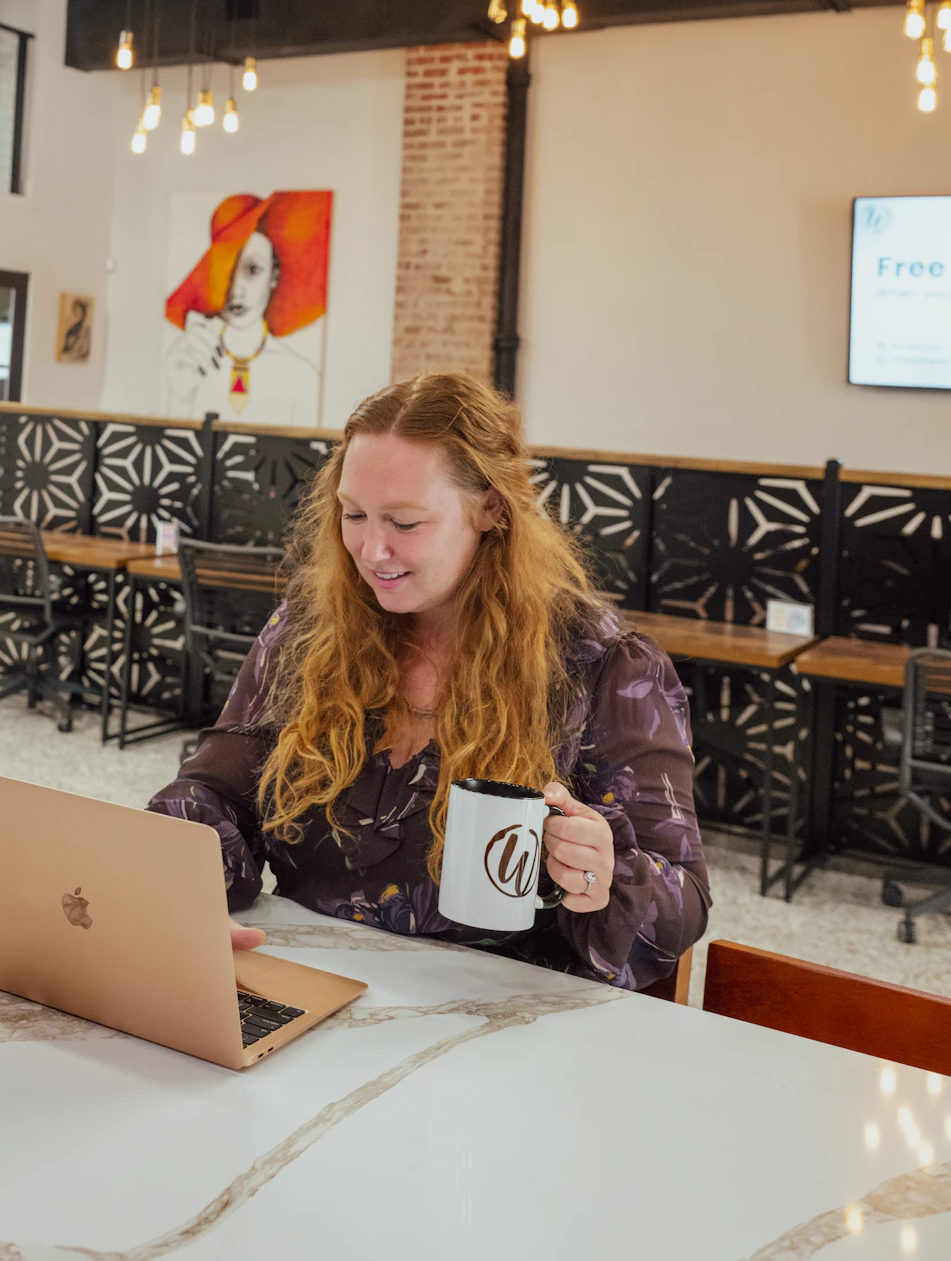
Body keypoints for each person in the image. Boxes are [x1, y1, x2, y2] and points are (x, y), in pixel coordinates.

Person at [149, 372, 709, 990]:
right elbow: (216, 794)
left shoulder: (602, 666)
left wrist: (604, 873)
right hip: (311, 986)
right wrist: (173, 868)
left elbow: (682, 902)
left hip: (492, 1021)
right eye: (354, 515)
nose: (371, 550)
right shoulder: (313, 628)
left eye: (405, 523)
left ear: (490, 507)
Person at [163, 192, 330, 425]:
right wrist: (179, 396)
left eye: (252, 270)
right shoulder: (185, 361)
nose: (235, 290)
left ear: (274, 275)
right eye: (226, 270)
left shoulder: (303, 378)